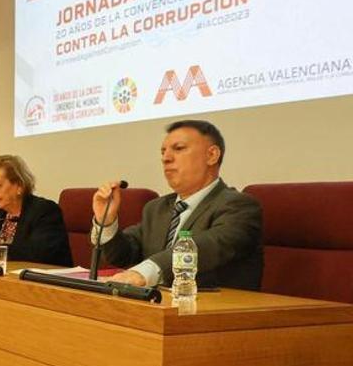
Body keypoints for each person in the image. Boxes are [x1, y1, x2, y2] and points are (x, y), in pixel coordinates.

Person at [94, 120, 263, 290]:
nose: (166, 158)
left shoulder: (239, 206)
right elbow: (123, 256)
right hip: (158, 308)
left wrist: (145, 273)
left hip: (210, 310)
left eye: (179, 148)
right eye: (163, 152)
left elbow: (206, 247)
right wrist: (106, 222)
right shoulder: (156, 208)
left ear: (212, 155)